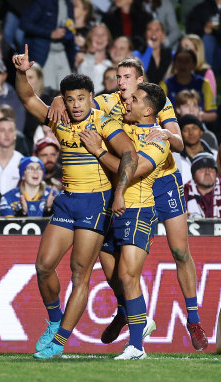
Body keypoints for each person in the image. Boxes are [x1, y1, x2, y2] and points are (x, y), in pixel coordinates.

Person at [13, 44, 137, 359]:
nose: (76, 104)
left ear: (90, 98)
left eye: (81, 98)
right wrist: (21, 71)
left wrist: (119, 192)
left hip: (97, 203)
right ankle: (55, 321)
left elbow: (130, 155)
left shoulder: (103, 121)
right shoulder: (60, 117)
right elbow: (27, 98)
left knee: (80, 272)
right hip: (68, 201)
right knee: (43, 266)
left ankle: (59, 343)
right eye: (70, 99)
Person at [79, 82, 171, 359]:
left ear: (149, 109)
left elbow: (132, 170)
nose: (127, 102)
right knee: (113, 277)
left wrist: (98, 151)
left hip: (138, 210)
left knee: (127, 275)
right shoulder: (120, 125)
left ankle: (136, 347)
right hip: (108, 211)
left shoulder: (159, 141)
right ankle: (135, 317)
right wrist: (59, 100)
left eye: (134, 99)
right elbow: (89, 105)